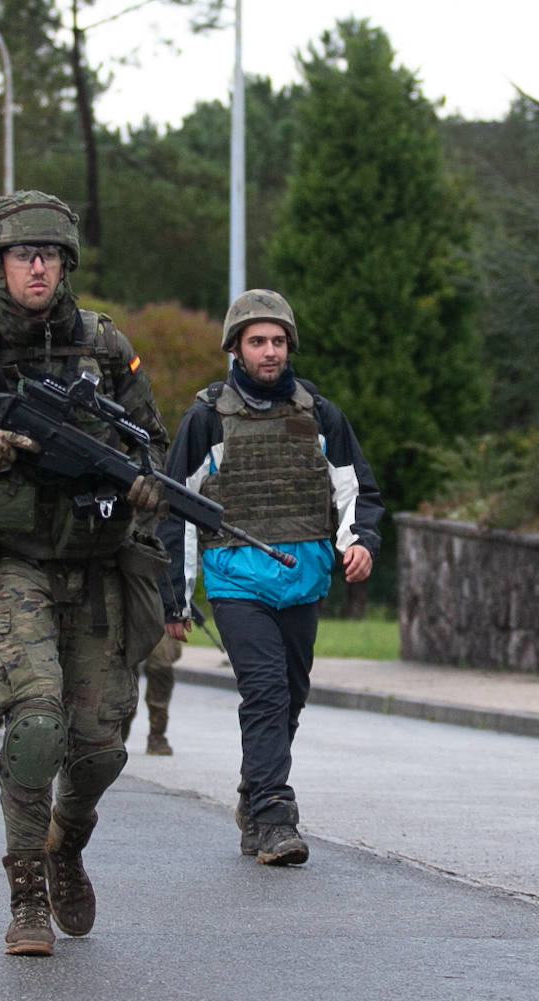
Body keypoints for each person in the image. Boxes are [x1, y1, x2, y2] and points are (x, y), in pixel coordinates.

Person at [0, 190, 171, 956]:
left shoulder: (107, 350)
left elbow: (153, 448)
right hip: (14, 566)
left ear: (66, 263)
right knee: (36, 724)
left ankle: (65, 845)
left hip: (101, 569)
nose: (38, 265)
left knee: (104, 748)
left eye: (49, 253)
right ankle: (25, 897)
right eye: (22, 254)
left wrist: (146, 486)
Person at [158, 288, 383, 867]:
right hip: (237, 584)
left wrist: (358, 543)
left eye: (278, 341)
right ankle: (277, 815)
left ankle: (253, 795)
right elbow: (175, 509)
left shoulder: (321, 415)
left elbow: (356, 491)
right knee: (264, 689)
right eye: (258, 341)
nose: (270, 351)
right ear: (236, 347)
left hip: (304, 583)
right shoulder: (206, 417)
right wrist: (176, 599)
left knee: (291, 698)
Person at [122, 634, 182, 754]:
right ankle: (117, 730)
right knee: (123, 666)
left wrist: (180, 616)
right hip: (126, 618)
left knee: (161, 665)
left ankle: (157, 734)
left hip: (164, 619)